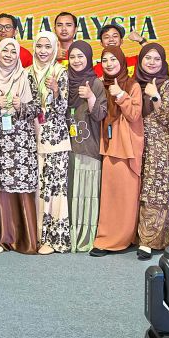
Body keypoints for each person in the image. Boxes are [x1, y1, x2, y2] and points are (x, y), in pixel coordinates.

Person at [0, 37, 41, 254]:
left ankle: (23, 238)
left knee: (20, 187)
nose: (8, 55)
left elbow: (37, 109)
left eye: (13, 52)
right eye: (5, 51)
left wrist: (20, 106)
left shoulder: (27, 77)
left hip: (21, 142)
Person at [89, 45, 143, 256]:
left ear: (122, 61)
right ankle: (109, 237)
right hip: (109, 145)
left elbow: (134, 115)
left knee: (126, 196)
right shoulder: (101, 85)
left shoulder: (132, 85)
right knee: (111, 196)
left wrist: (121, 95)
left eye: (113, 59)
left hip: (126, 146)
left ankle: (119, 239)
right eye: (105, 60)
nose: (109, 63)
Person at [31, 30, 72, 254]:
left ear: (55, 48)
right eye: (39, 46)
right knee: (38, 188)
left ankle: (54, 238)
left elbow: (63, 109)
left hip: (56, 139)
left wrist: (56, 92)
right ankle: (36, 236)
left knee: (55, 190)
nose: (43, 51)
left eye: (48, 47)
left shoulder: (60, 71)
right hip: (31, 138)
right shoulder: (27, 73)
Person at [135, 42, 169, 259]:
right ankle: (137, 235)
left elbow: (168, 119)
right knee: (138, 191)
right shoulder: (134, 83)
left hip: (159, 146)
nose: (151, 62)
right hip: (137, 144)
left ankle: (149, 241)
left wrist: (155, 96)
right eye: (147, 58)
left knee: (155, 192)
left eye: (156, 59)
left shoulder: (167, 84)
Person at [66, 41, 107, 252]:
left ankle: (86, 237)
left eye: (81, 56)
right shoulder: (64, 81)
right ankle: (70, 234)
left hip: (89, 146)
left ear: (89, 58)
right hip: (66, 147)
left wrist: (90, 97)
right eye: (72, 56)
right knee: (71, 191)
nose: (76, 60)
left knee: (87, 192)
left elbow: (100, 114)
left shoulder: (96, 83)